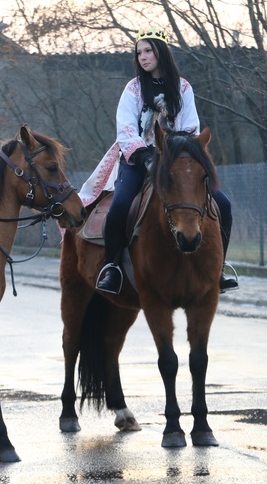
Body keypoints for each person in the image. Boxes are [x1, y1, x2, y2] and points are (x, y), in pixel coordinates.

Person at [78, 28, 238, 295]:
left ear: (161, 51)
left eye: (148, 50)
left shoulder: (183, 88)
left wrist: (170, 155)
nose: (143, 57)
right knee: (119, 206)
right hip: (137, 161)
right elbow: (126, 130)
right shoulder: (133, 89)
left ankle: (218, 268)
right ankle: (112, 268)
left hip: (175, 163)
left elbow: (190, 129)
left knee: (223, 204)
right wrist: (146, 156)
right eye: (139, 52)